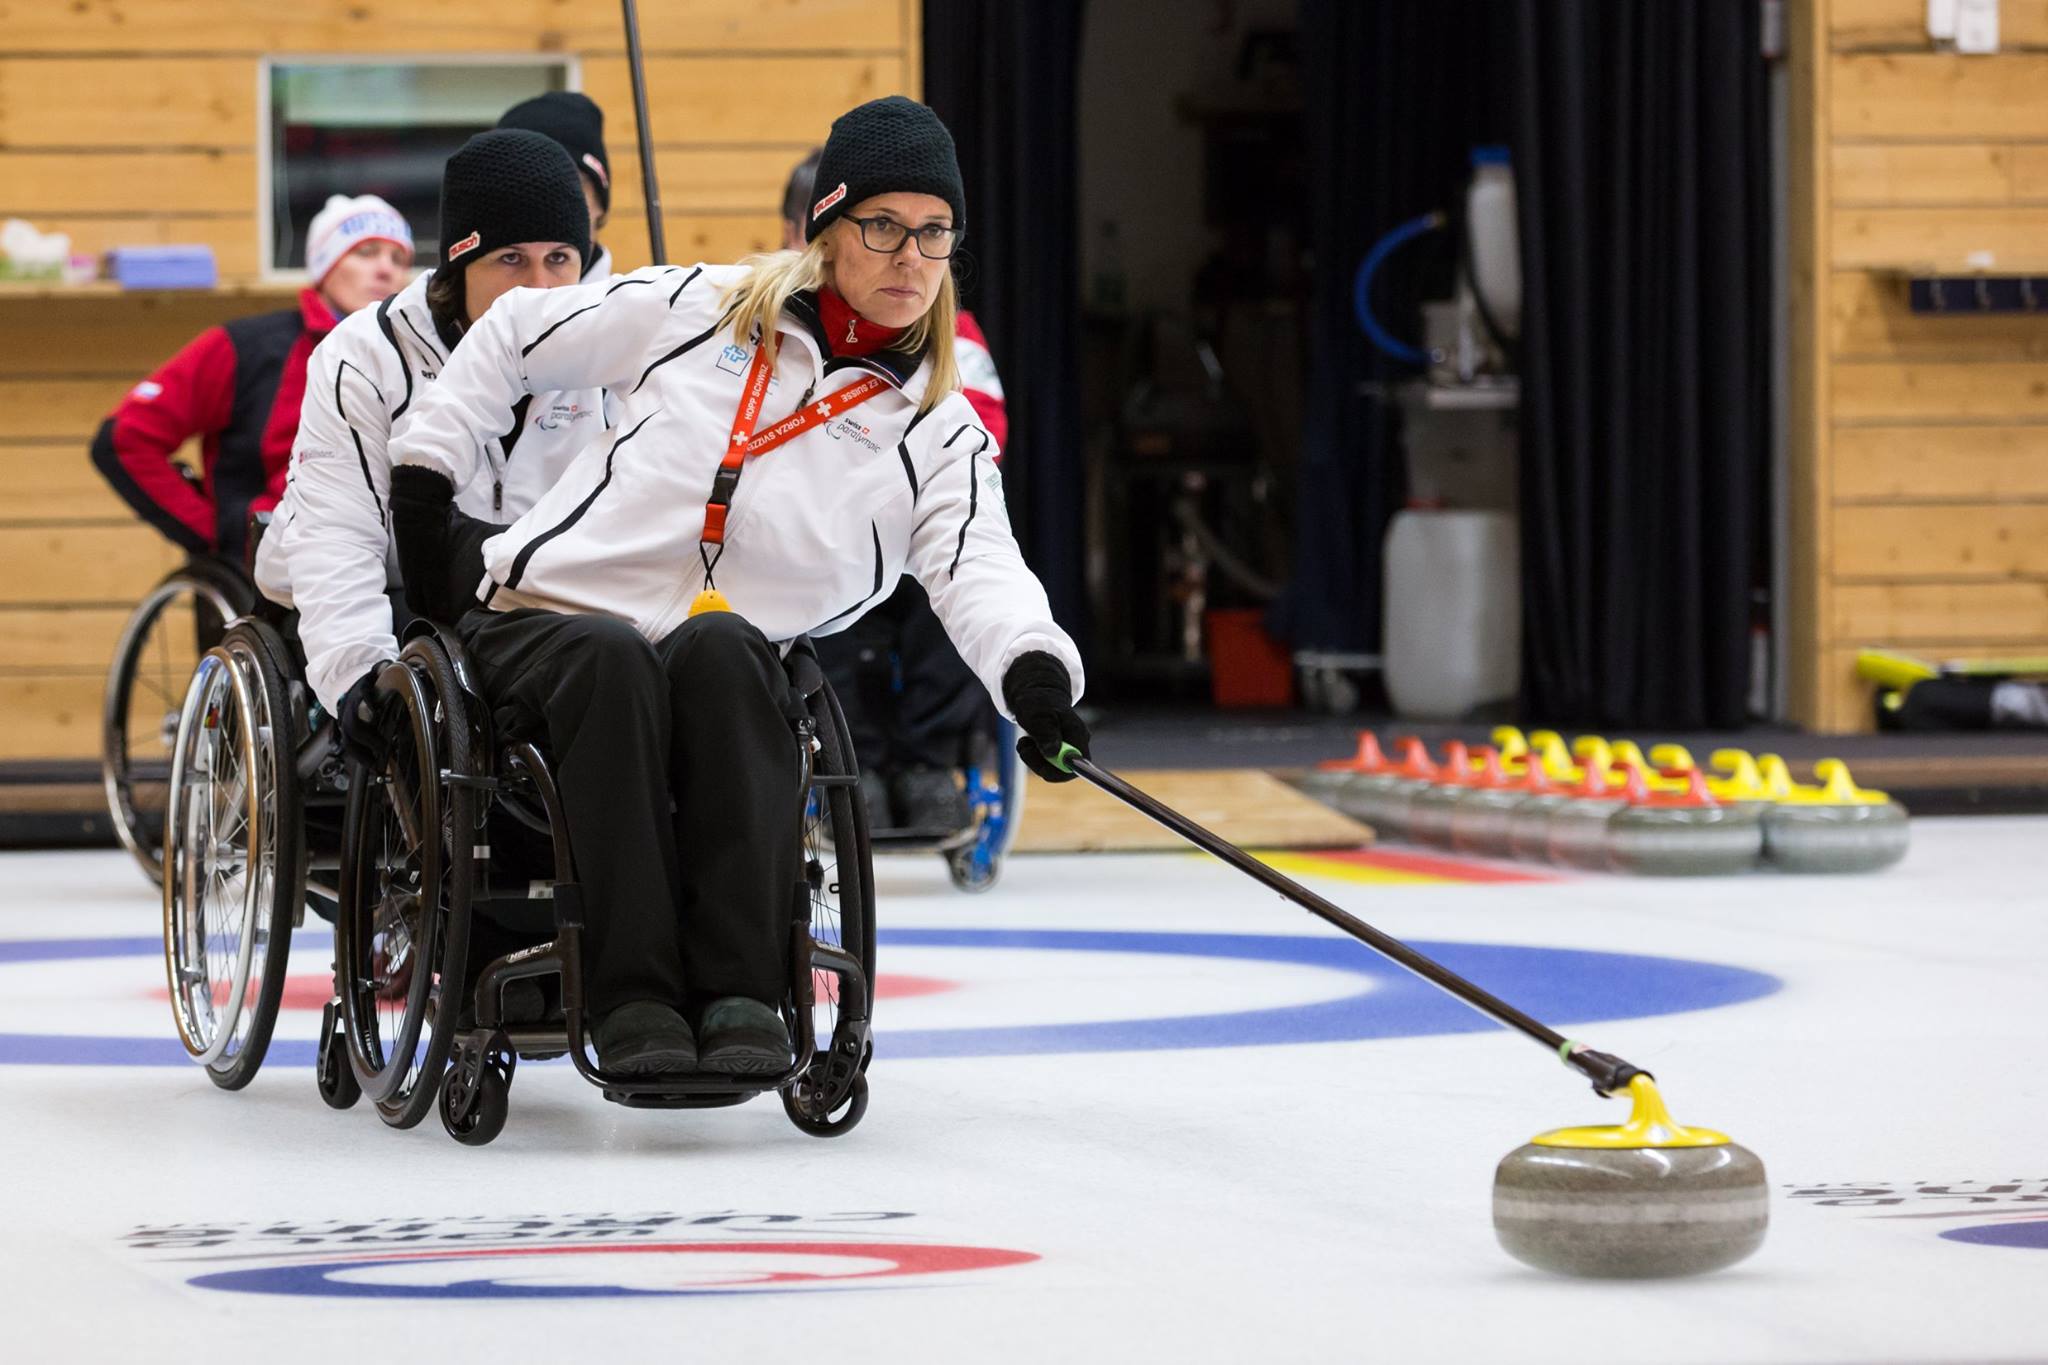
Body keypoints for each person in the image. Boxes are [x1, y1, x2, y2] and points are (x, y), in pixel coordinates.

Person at [389, 96, 1089, 1076]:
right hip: (552, 625)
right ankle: (629, 995)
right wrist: (427, 472)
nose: (908, 258)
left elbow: (981, 565)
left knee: (727, 656)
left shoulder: (937, 428)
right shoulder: (700, 305)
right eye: (881, 226)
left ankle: (742, 995)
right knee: (612, 654)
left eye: (933, 233)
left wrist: (1035, 680)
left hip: (728, 650)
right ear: (826, 231)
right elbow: (514, 332)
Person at [254, 130, 607, 748]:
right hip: (382, 586)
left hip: (521, 601)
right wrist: (358, 673)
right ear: (458, 266)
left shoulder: (611, 354)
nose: (540, 290)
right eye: (510, 260)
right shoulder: (365, 354)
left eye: (559, 259)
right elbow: (336, 533)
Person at [782, 147, 1010, 832]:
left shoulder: (950, 332)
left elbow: (988, 440)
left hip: (913, 533)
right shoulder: (760, 322)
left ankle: (929, 763)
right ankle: (858, 768)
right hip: (817, 535)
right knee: (817, 603)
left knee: (954, 592)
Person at [91, 195, 412, 567]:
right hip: (278, 559)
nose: (386, 270)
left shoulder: (422, 352)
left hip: (391, 552)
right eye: (366, 252)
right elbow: (124, 439)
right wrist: (218, 536)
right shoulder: (249, 346)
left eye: (399, 259)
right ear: (325, 266)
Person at [498, 91, 615, 281]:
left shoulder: (639, 308)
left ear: (599, 204)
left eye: (567, 183)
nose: (545, 201)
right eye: (524, 183)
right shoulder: (445, 305)